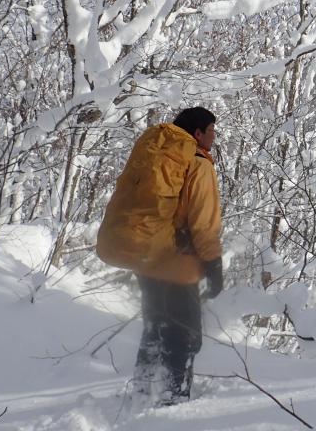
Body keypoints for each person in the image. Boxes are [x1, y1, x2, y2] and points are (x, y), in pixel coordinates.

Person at [96, 106, 224, 409]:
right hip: (174, 257)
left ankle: (142, 389)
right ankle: (173, 402)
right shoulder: (197, 162)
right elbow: (204, 221)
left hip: (145, 252)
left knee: (155, 323)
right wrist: (214, 264)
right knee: (185, 333)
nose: (214, 136)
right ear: (197, 133)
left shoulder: (156, 151)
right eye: (211, 130)